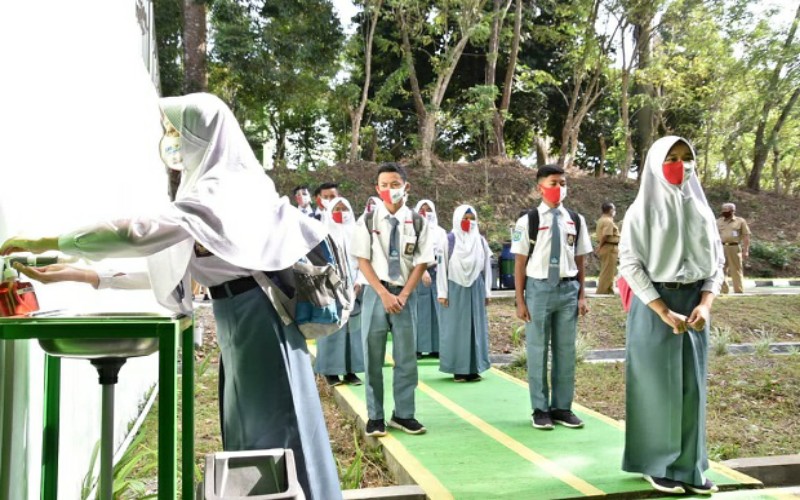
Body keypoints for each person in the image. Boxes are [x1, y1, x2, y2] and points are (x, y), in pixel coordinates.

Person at [0, 93, 342, 500]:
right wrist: (86, 274)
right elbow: (179, 268)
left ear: (204, 135)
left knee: (281, 429)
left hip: (260, 320)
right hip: (238, 319)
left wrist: (54, 239)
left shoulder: (226, 190)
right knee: (252, 432)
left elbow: (138, 232)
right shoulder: (209, 190)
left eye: (176, 130)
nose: (170, 140)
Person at [619, 136, 723, 496]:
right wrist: (661, 309)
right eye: (672, 158)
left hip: (695, 304)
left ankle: (690, 467)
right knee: (656, 388)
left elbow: (717, 261)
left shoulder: (702, 209)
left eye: (686, 158)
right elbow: (630, 264)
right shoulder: (641, 211)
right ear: (654, 165)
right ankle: (656, 465)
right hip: (655, 304)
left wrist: (706, 303)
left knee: (693, 387)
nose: (681, 165)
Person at [351, 163, 434, 437]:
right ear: (377, 189)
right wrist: (384, 294)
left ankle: (404, 414)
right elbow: (363, 261)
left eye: (395, 184)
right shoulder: (367, 220)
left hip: (405, 295)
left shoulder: (419, 222)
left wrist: (403, 295)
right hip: (377, 294)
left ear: (406, 187)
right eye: (384, 185)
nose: (390, 190)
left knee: (406, 357)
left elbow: (421, 262)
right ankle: (375, 416)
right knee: (372, 356)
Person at [511, 164, 591, 431]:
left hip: (568, 290)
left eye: (563, 183)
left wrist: (582, 295)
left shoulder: (575, 220)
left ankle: (562, 408)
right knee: (537, 349)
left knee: (566, 351)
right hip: (539, 289)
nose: (559, 188)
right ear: (540, 188)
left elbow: (580, 259)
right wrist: (520, 300)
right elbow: (519, 263)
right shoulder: (528, 221)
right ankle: (540, 409)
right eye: (554, 183)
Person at [436, 204, 492, 382]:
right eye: (464, 219)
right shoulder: (449, 240)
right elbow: (441, 266)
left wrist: (487, 292)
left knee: (475, 328)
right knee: (456, 329)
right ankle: (458, 369)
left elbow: (487, 268)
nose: (468, 222)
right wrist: (442, 292)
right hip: (455, 288)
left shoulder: (480, 241)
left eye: (471, 219)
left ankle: (475, 368)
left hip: (475, 287)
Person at [314, 196, 365, 386]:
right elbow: (317, 262)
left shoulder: (357, 233)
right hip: (330, 289)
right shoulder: (322, 234)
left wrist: (359, 281)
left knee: (353, 329)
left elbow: (363, 260)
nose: (341, 213)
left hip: (353, 289)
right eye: (337, 209)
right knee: (332, 329)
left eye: (345, 209)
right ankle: (330, 371)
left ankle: (351, 371)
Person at [413, 199, 447, 358]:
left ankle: (437, 347)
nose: (425, 213)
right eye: (422, 210)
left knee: (436, 308)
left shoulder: (440, 231)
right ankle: (418, 347)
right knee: (420, 310)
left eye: (429, 209)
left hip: (437, 271)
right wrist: (422, 269)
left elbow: (443, 252)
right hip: (417, 273)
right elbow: (410, 252)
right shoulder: (412, 229)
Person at [717, 202, 750, 294]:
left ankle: (738, 291)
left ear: (732, 211)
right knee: (720, 269)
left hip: (734, 247)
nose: (724, 212)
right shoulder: (718, 221)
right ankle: (724, 291)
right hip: (721, 247)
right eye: (723, 211)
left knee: (736, 269)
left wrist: (746, 250)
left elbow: (746, 236)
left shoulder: (740, 221)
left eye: (726, 211)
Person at [595, 202, 620, 294]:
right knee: (607, 271)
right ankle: (603, 291)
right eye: (614, 210)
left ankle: (609, 289)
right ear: (610, 210)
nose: (614, 212)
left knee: (609, 270)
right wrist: (599, 246)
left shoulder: (602, 219)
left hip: (607, 247)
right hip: (609, 247)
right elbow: (605, 236)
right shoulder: (608, 221)